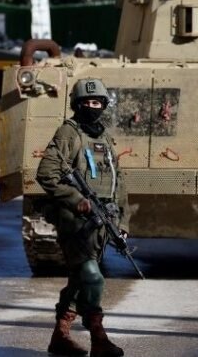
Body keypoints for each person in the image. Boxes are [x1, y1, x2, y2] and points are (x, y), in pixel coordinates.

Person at [36, 77, 130, 357]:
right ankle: (98, 336)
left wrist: (122, 222)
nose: (92, 106)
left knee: (79, 279)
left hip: (102, 224)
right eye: (87, 102)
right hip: (75, 224)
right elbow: (46, 174)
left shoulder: (103, 136)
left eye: (97, 102)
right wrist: (77, 200)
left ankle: (60, 335)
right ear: (77, 105)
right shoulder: (69, 133)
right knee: (92, 277)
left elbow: (118, 182)